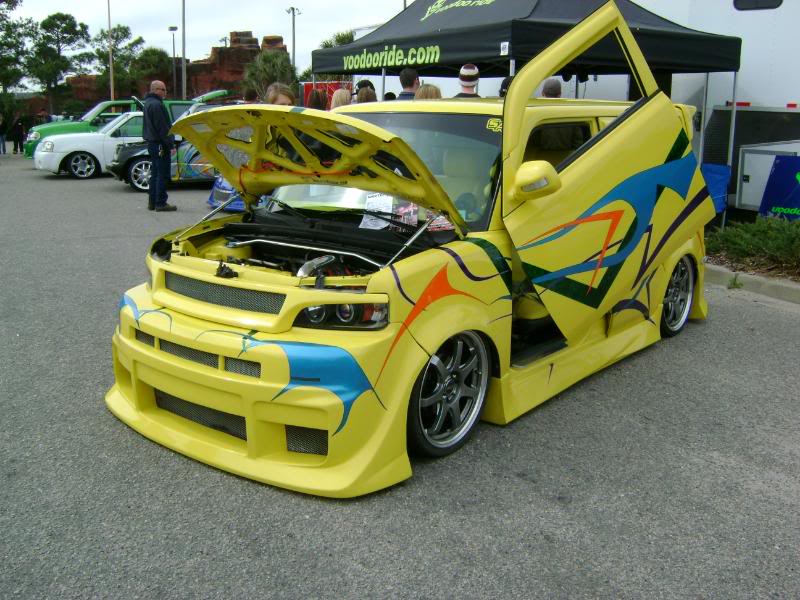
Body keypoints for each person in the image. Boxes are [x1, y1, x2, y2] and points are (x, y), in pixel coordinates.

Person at [142, 80, 177, 212]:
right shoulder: (157, 105)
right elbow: (163, 128)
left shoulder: (148, 104)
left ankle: (152, 202)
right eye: (163, 90)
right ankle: (161, 203)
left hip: (152, 143)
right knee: (162, 174)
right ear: (156, 90)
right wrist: (171, 144)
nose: (165, 93)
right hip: (160, 144)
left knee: (155, 174)